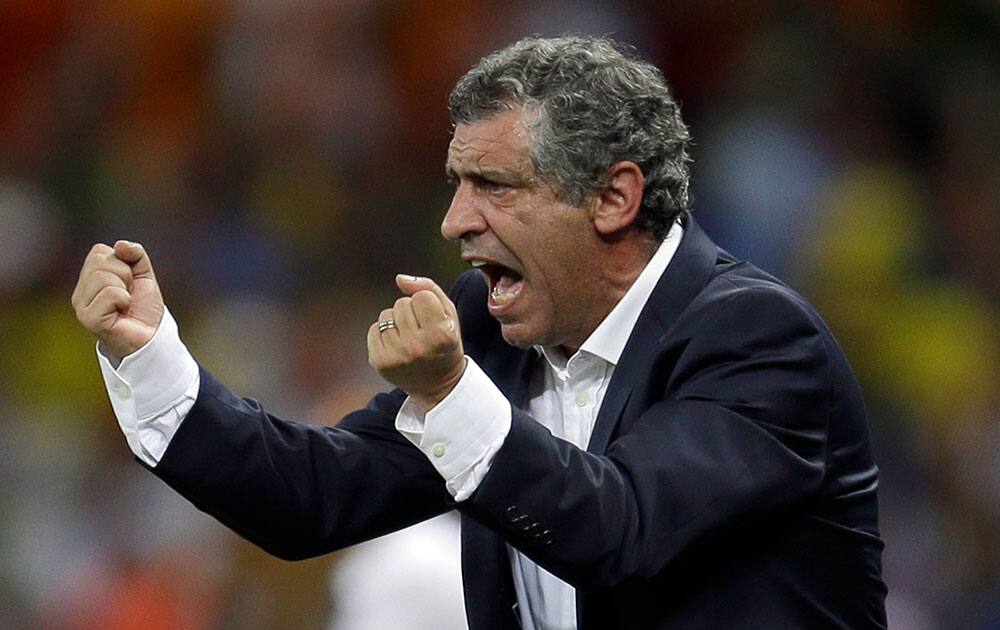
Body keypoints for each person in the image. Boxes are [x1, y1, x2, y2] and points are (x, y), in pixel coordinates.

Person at [72, 36, 887, 629]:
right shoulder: (492, 333)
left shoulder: (756, 338)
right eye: (457, 183)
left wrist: (451, 393)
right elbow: (310, 499)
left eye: (493, 186)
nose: (456, 220)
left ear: (613, 198)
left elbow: (622, 532)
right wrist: (147, 352)